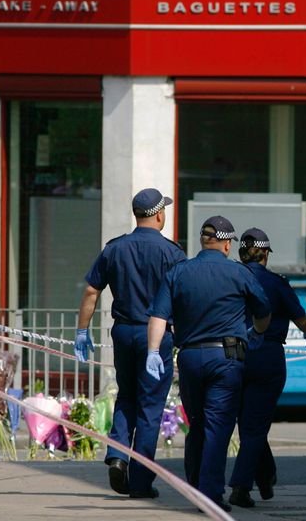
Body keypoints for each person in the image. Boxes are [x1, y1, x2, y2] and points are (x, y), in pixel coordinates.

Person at [145, 216, 271, 512]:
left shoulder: (179, 272)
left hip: (189, 357)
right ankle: (210, 494)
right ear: (227, 244)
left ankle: (194, 488)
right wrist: (258, 334)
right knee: (218, 425)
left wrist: (153, 351)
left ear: (204, 241)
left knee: (197, 425)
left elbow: (159, 317)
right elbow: (263, 310)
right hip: (226, 359)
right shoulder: (239, 274)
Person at [75, 188, 186, 498]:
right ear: (159, 215)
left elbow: (91, 292)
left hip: (123, 332)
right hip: (157, 335)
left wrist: (82, 331)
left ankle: (118, 456)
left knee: (126, 396)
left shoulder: (115, 249)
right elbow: (186, 298)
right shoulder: (172, 253)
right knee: (150, 405)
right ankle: (140, 481)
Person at [228, 227, 306, 508]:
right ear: (265, 253)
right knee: (255, 426)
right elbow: (301, 318)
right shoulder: (277, 283)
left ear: (242, 253)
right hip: (267, 356)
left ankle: (265, 475)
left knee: (248, 424)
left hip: (231, 353)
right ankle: (242, 487)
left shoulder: (229, 278)